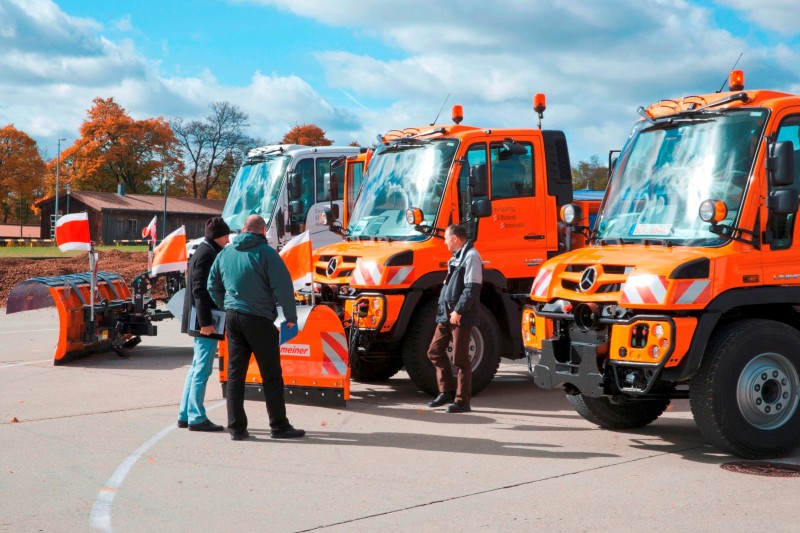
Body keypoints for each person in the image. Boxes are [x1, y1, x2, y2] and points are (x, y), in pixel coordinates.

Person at [207, 214, 305, 441]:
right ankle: (279, 426)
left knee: (235, 375)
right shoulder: (267, 253)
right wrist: (291, 317)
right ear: (262, 232)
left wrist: (226, 304)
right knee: (270, 375)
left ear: (242, 230)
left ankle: (236, 428)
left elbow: (212, 284)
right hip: (259, 319)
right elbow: (283, 286)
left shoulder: (226, 252)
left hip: (233, 318)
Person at [178, 217, 231, 432]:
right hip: (205, 321)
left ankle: (185, 413)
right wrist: (206, 322)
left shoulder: (205, 250)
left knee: (195, 368)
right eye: (226, 236)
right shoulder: (207, 253)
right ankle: (196, 417)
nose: (228, 240)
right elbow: (199, 290)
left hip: (201, 319)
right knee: (202, 369)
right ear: (217, 236)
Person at [426, 224, 483, 413]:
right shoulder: (456, 257)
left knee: (460, 359)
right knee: (434, 351)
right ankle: (447, 392)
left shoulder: (472, 256)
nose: (444, 242)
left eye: (446, 238)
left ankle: (462, 401)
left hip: (460, 316)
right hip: (447, 314)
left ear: (456, 239)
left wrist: (458, 311)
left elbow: (472, 288)